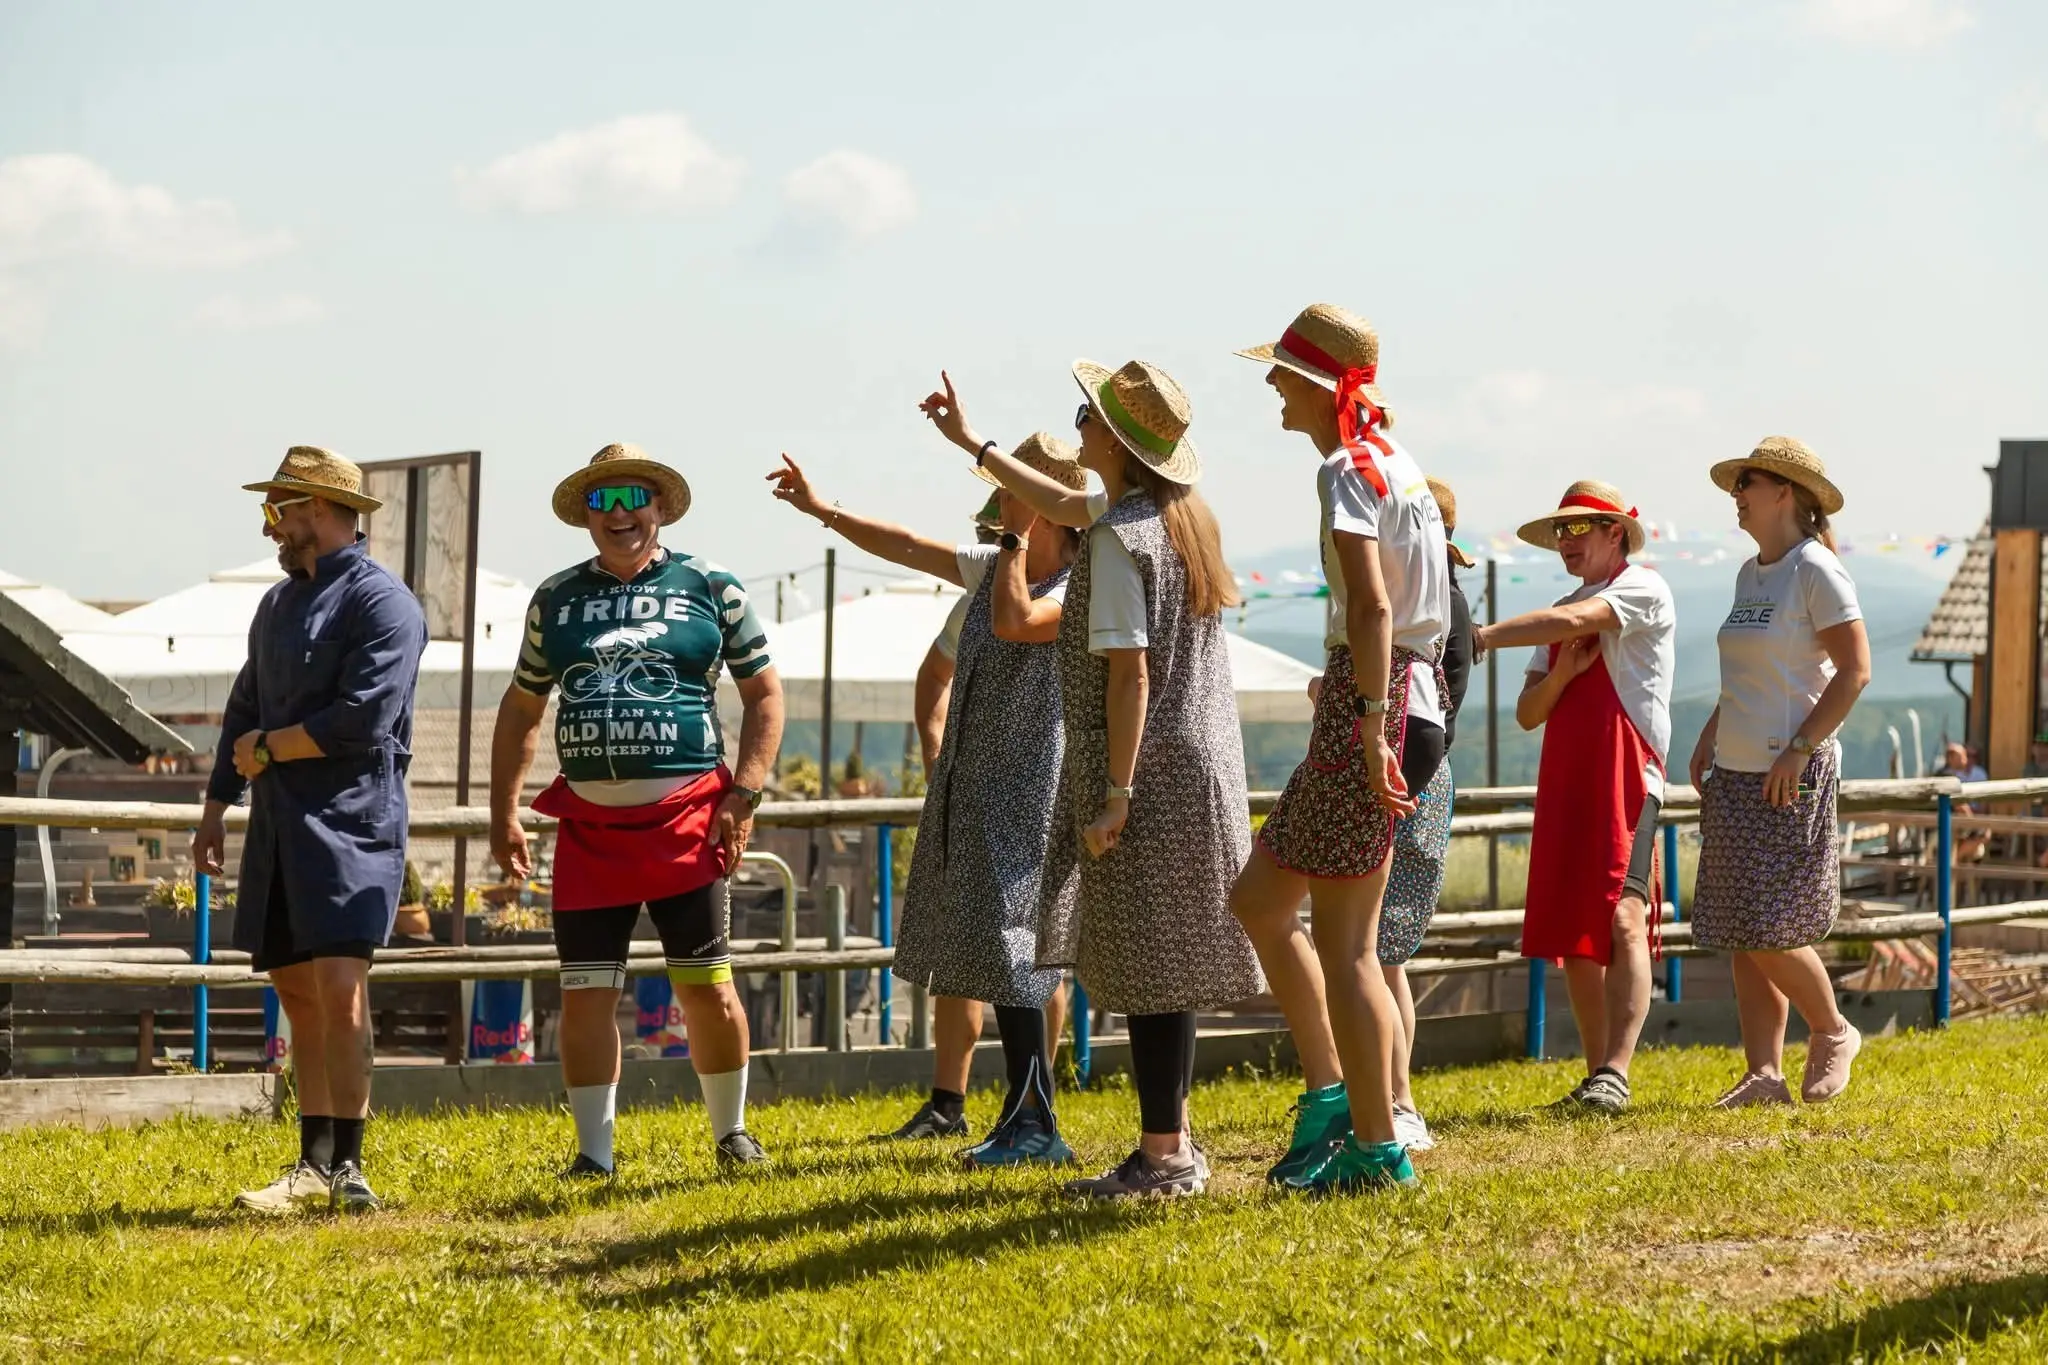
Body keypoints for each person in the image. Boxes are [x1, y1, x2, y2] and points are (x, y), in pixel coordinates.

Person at [923, 360, 1265, 1199]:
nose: (1078, 425)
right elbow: (1057, 498)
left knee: (1147, 969)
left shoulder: (1117, 540)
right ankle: (1174, 1143)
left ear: (1111, 439)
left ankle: (1162, 1157)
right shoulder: (1173, 520)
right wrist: (973, 442)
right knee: (1169, 966)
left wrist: (1116, 792)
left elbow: (1129, 674)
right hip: (1199, 765)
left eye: (1086, 415)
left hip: (1145, 771)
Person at [769, 441, 1084, 1163]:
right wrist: (822, 510)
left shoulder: (1081, 583)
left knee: (1019, 951)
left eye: (1010, 489)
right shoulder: (995, 564)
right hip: (980, 786)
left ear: (1045, 506)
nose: (997, 500)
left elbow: (1016, 621)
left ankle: (1034, 1122)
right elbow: (907, 545)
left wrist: (1012, 541)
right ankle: (1016, 1118)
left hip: (1037, 789)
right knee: (994, 946)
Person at [490, 443, 785, 1177]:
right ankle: (594, 1154)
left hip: (689, 819)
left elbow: (765, 694)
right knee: (586, 995)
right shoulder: (554, 598)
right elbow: (522, 707)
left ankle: (732, 1134)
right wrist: (503, 811)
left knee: (706, 987)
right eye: (603, 501)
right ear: (586, 514)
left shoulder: (712, 586)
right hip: (589, 829)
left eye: (632, 499)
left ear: (659, 507)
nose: (619, 515)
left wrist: (745, 792)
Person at [1225, 304, 1448, 1194]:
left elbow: (1373, 606)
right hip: (1400, 694)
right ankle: (1333, 1098)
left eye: (1282, 372)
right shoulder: (1399, 464)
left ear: (1320, 385)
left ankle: (1377, 1144)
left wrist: (1367, 720)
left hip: (1377, 700)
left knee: (1350, 944)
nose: (1272, 385)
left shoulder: (1344, 470)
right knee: (1260, 899)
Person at [198, 447, 428, 1215]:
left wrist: (267, 749)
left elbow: (361, 719)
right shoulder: (275, 604)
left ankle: (351, 1167)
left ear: (320, 509)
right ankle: (313, 1162)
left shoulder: (385, 603)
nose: (271, 525)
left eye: (279, 509)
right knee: (297, 991)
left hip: (353, 824)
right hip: (278, 826)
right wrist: (216, 805)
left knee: (339, 987)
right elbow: (244, 705)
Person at [1474, 480, 1675, 1115]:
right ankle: (1597, 1078)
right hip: (1568, 776)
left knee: (1623, 918)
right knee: (1576, 934)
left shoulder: (1643, 587)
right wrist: (1563, 671)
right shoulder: (1560, 611)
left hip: (1628, 775)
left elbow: (1574, 622)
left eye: (1578, 527)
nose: (1565, 540)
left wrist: (1480, 637)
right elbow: (1528, 712)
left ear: (1616, 533)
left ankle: (1617, 1070)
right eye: (1560, 530)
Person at [1687, 437, 1871, 1107]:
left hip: (1788, 771)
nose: (1736, 494)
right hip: (1735, 767)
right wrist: (1712, 730)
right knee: (1743, 928)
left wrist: (1799, 748)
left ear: (1784, 493)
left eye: (1748, 483)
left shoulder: (1816, 569)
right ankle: (1764, 1074)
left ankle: (1833, 1029)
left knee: (1768, 926)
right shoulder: (1750, 573)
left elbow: (1855, 671)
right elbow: (1748, 671)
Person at [1373, 475, 1477, 1152]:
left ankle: (1400, 1098)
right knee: (1382, 954)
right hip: (1412, 778)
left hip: (1415, 780)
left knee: (1382, 954)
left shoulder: (1439, 611)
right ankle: (1384, 1093)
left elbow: (1433, 719)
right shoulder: (1442, 603)